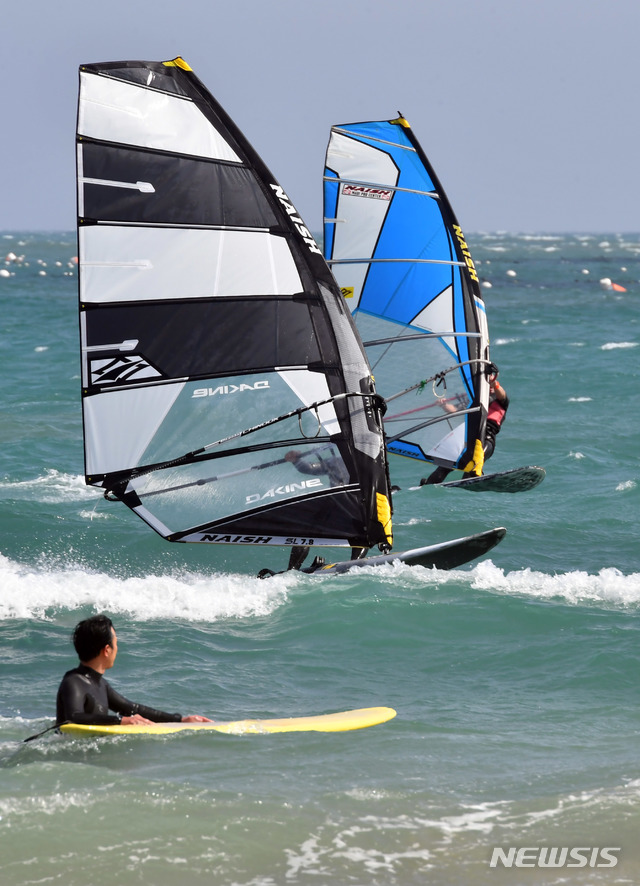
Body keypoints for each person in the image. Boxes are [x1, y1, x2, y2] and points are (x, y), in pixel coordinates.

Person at [56, 614, 212, 727]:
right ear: (107, 650)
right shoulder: (74, 681)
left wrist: (180, 720)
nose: (118, 648)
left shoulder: (101, 685)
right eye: (116, 643)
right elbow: (74, 717)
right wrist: (120, 721)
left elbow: (132, 709)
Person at [420, 368, 510, 485]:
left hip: (487, 440)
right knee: (445, 466)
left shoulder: (501, 400)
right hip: (469, 439)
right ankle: (428, 484)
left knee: (475, 461)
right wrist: (444, 404)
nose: (490, 385)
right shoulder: (474, 401)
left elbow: (502, 394)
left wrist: (494, 383)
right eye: (487, 383)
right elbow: (455, 410)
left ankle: (467, 482)